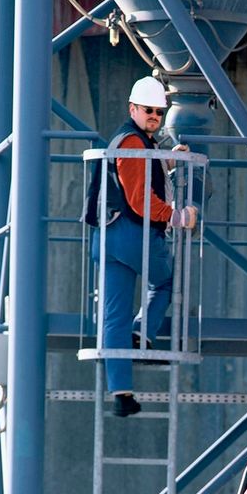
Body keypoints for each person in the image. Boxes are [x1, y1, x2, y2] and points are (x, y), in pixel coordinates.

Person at [84, 75, 197, 417]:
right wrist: (178, 217)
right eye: (148, 110)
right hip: (134, 234)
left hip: (107, 236)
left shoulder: (131, 142)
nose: (154, 117)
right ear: (132, 108)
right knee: (164, 281)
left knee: (113, 316)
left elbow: (138, 176)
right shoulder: (133, 144)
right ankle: (142, 335)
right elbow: (139, 199)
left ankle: (122, 394)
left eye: (159, 112)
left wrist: (166, 161)